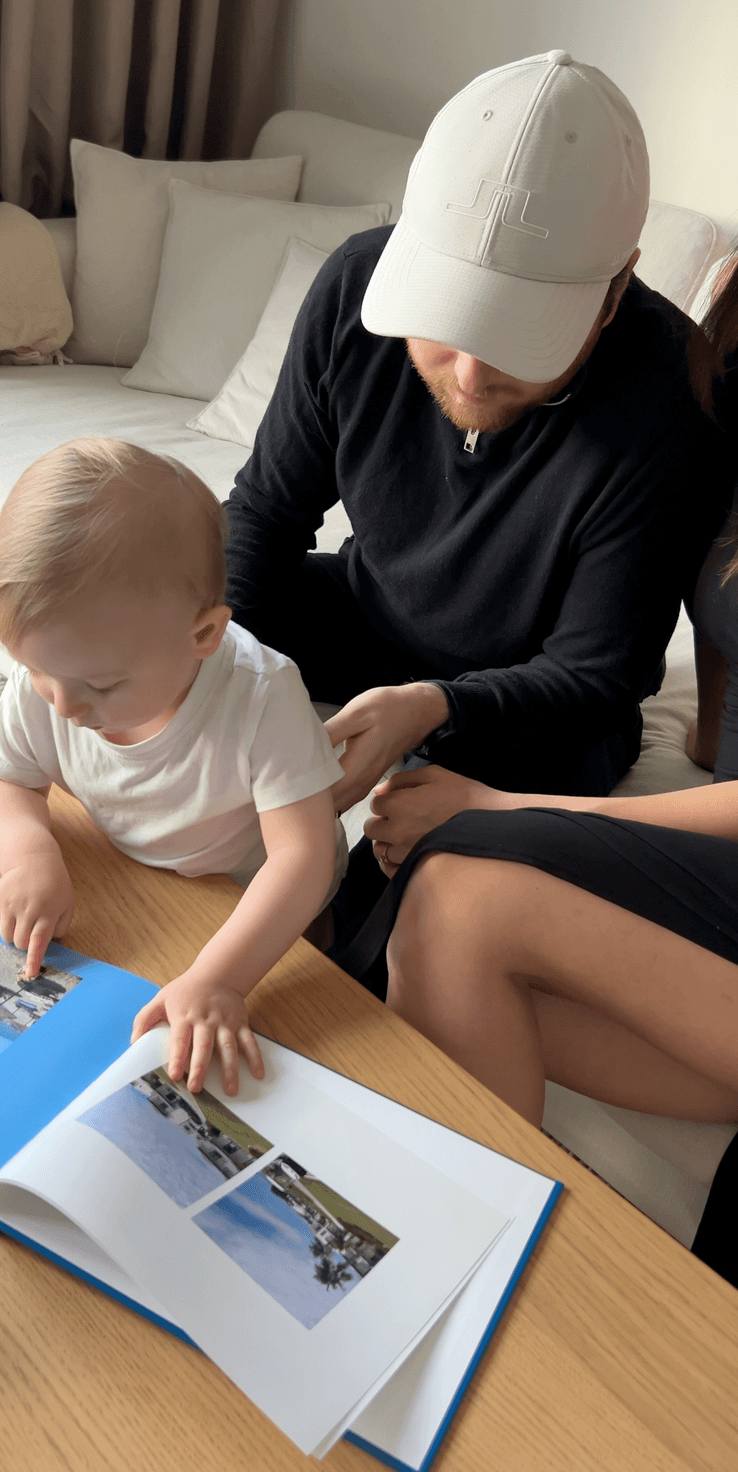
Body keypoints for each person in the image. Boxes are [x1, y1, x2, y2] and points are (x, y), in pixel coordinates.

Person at [225, 53, 734, 960]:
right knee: (158, 627)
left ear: (616, 290)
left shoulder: (674, 398)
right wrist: (211, 688)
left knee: (404, 886)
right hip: (368, 608)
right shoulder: (355, 288)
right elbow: (262, 520)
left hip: (540, 702)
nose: (468, 373)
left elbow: (597, 675)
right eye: (450, 316)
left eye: (516, 335)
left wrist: (432, 709)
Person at [344, 254, 738, 1285]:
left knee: (465, 878)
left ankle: (432, 1285)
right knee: (435, 930)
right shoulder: (716, 366)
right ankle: (438, 1287)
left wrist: (508, 805)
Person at [0, 438, 346, 1096]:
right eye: (36, 670)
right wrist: (29, 857)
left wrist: (225, 975)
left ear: (202, 636)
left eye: (102, 686)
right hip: (140, 884)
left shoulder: (263, 696)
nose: (62, 705)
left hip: (256, 904)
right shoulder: (57, 680)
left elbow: (303, 860)